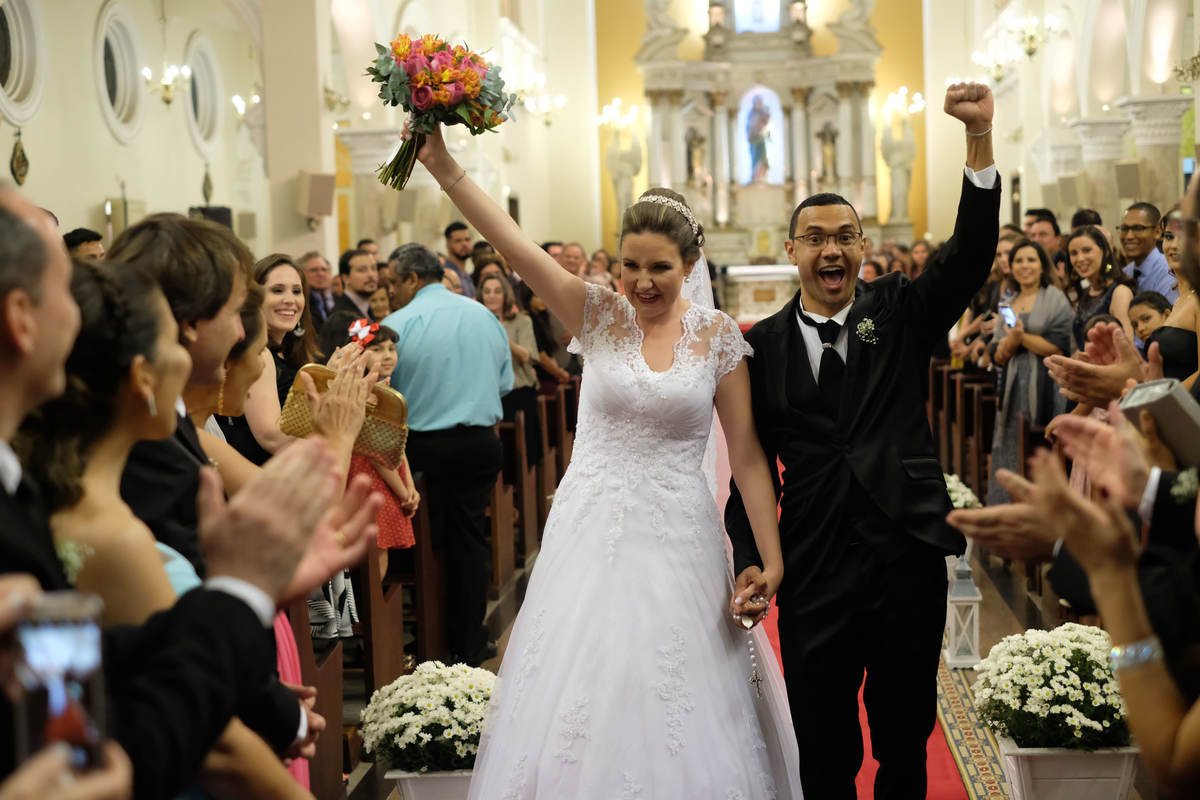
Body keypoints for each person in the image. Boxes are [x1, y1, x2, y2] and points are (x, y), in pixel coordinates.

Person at [417, 127, 802, 797]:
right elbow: (513, 244)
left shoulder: (717, 339)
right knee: (582, 679)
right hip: (591, 527)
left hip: (679, 533)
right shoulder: (594, 313)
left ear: (690, 264)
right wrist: (443, 166)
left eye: (660, 268)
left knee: (676, 684)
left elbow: (745, 456)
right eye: (631, 266)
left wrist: (770, 560)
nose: (643, 282)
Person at [0, 192, 377, 798]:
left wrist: (247, 668)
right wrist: (242, 599)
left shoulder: (35, 486)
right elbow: (122, 727)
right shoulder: (102, 517)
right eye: (61, 287)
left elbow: (113, 666)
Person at [724, 82, 1000, 799]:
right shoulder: (763, 346)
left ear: (862, 247)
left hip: (905, 554)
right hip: (813, 564)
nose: (831, 250)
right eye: (816, 238)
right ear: (792, 250)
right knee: (825, 748)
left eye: (844, 237)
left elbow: (971, 254)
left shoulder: (900, 309)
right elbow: (750, 467)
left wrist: (977, 140)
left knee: (904, 739)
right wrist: (750, 557)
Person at [382, 243, 512, 667]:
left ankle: (426, 638)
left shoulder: (396, 324)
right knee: (469, 541)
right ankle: (469, 641)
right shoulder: (482, 315)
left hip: (421, 449)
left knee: (423, 545)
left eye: (393, 282)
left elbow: (384, 397)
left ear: (412, 279)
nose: (390, 291)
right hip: (478, 443)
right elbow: (505, 383)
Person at [987, 239, 1072, 505]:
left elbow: (1058, 345)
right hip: (1012, 388)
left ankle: (1045, 510)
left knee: (1042, 448)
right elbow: (997, 353)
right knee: (1012, 446)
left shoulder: (1055, 298)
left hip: (1047, 384)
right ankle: (1008, 506)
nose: (1025, 266)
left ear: (1042, 265)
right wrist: (1007, 346)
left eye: (1031, 260)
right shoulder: (1007, 302)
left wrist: (1019, 338)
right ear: (1011, 267)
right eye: (1019, 260)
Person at [242, 254, 322, 459]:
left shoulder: (287, 352)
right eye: (277, 290)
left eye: (297, 291)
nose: (290, 300)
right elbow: (273, 439)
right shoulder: (260, 354)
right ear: (254, 298)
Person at [479, 274, 542, 463]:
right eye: (487, 291)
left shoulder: (522, 321)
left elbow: (527, 356)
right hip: (489, 395)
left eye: (497, 291)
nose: (491, 296)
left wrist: (500, 335)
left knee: (524, 456)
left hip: (518, 392)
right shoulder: (477, 323)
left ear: (506, 295)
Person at [1066, 225, 1134, 349]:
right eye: (1074, 253)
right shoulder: (1085, 293)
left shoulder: (1119, 293)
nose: (1080, 258)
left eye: (1087, 250)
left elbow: (1128, 346)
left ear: (1105, 251)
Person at [1121, 202, 1178, 304]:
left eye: (1138, 228)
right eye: (1124, 228)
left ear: (1157, 232)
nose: (1129, 236)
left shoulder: (1169, 271)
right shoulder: (1126, 272)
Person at [332, 248, 379, 319]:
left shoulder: (366, 308)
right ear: (345, 278)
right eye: (362, 270)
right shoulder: (341, 316)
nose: (371, 274)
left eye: (373, 268)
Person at [300, 251, 335, 329]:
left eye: (324, 269)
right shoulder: (300, 302)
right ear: (302, 274)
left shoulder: (339, 299)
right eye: (314, 270)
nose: (320, 274)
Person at [443, 222, 477, 298]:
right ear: (448, 244)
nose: (464, 244)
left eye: (467, 239)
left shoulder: (467, 276)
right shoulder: (445, 275)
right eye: (458, 241)